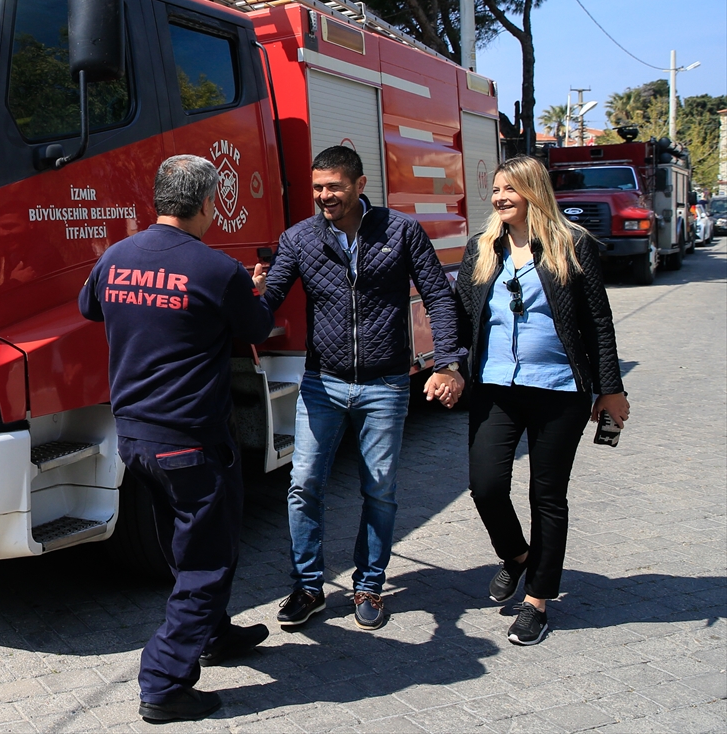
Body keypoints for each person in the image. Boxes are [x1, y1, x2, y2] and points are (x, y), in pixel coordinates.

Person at [79, 154, 274, 724]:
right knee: (206, 563)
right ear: (208, 203)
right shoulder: (217, 270)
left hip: (136, 440)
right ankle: (163, 681)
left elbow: (89, 307)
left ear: (159, 198)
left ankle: (212, 636)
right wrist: (252, 288)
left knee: (183, 548)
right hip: (191, 441)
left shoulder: (116, 257)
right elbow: (257, 327)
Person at [264, 145, 466, 631]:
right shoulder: (299, 239)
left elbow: (439, 295)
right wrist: (238, 293)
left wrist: (448, 363)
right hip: (322, 384)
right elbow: (268, 300)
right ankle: (308, 586)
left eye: (333, 186)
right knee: (303, 483)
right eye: (317, 187)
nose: (324, 196)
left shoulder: (401, 231)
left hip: (386, 383)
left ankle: (369, 584)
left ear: (359, 185)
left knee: (379, 490)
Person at [455, 155, 628, 646]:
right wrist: (448, 364)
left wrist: (610, 389)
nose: (499, 198)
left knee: (546, 496)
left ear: (534, 192)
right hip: (494, 387)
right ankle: (517, 556)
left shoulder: (572, 245)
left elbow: (599, 322)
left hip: (558, 390)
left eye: (510, 189)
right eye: (496, 191)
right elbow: (463, 314)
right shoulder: (482, 248)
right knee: (485, 484)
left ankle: (537, 600)